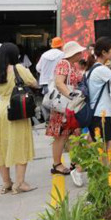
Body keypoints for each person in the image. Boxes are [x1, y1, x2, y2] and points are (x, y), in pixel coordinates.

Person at [0, 43, 40, 194]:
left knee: (1, 146)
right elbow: (33, 82)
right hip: (17, 110)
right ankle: (20, 183)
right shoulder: (18, 68)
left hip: (1, 111)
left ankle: (6, 182)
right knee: (20, 144)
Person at [45, 41, 85, 176]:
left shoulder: (72, 65)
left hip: (69, 106)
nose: (81, 54)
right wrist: (71, 95)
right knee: (61, 136)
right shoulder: (64, 64)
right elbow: (59, 83)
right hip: (63, 106)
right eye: (79, 52)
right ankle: (57, 164)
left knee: (73, 133)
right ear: (74, 53)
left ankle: (74, 162)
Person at [87, 37, 111, 154]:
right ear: (104, 52)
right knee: (109, 145)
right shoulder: (101, 69)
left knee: (95, 142)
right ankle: (105, 165)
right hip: (101, 113)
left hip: (96, 112)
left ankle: (84, 163)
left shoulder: (94, 67)